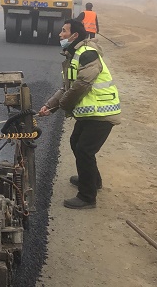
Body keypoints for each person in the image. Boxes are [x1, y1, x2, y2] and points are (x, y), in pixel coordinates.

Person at [38, 18, 121, 209]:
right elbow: (66, 87)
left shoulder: (88, 53)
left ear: (74, 35)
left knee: (84, 149)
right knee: (76, 142)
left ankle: (87, 197)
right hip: (91, 113)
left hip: (101, 112)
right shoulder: (74, 55)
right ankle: (92, 180)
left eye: (64, 31)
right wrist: (50, 106)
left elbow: (82, 84)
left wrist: (64, 105)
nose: (60, 34)